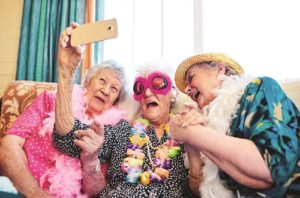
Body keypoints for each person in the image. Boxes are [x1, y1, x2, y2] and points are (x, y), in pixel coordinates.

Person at [0, 22, 128, 197]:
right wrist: (34, 192)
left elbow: (96, 191)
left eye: (114, 89)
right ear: (87, 82)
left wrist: (91, 160)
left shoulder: (113, 132)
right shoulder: (49, 99)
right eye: (102, 81)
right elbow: (9, 145)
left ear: (115, 100)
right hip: (21, 187)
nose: (106, 91)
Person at [53, 59, 203, 197]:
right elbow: (66, 136)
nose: (148, 92)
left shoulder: (187, 130)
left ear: (173, 94)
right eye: (141, 87)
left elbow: (201, 192)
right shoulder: (120, 129)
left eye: (157, 84)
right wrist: (66, 72)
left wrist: (193, 148)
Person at [170, 52, 300, 197]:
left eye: (191, 77)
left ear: (220, 70)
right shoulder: (206, 125)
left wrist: (193, 134)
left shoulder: (259, 88)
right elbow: (198, 192)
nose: (187, 90)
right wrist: (192, 147)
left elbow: (271, 168)